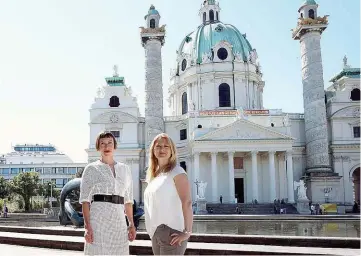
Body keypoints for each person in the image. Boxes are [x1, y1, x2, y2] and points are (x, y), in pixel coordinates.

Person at [79, 131, 136, 255]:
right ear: (98, 147)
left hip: (119, 221)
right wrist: (87, 226)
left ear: (114, 146)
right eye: (102, 143)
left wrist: (131, 223)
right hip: (98, 220)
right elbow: (85, 201)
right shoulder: (91, 169)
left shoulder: (125, 169)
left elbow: (128, 200)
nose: (106, 146)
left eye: (110, 143)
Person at [144, 133, 193, 255]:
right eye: (158, 146)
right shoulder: (154, 175)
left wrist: (187, 232)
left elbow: (187, 202)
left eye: (166, 146)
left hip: (172, 232)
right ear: (153, 150)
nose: (162, 149)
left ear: (172, 150)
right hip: (155, 232)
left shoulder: (177, 172)